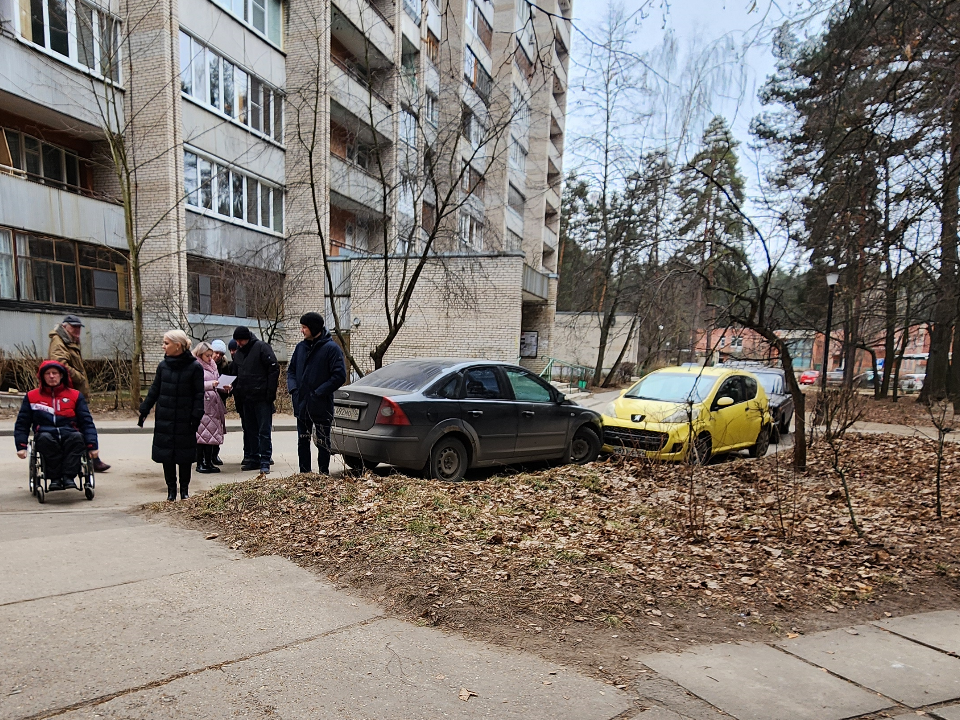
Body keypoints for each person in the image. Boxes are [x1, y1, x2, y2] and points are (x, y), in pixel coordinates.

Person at [138, 330, 204, 501]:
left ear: (178, 345)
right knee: (167, 456)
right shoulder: (163, 366)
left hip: (185, 420)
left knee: (184, 457)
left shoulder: (195, 367)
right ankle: (171, 491)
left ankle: (184, 490)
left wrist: (196, 417)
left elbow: (199, 395)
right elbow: (154, 390)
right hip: (165, 419)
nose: (163, 346)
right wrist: (144, 409)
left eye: (166, 343)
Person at [14, 360, 99, 490]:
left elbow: (86, 422)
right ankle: (54, 479)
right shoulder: (32, 396)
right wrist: (21, 446)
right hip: (44, 433)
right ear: (42, 376)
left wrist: (92, 445)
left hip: (69, 431)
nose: (52, 376)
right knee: (45, 439)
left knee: (77, 438)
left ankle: (68, 477)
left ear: (61, 375)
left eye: (55, 373)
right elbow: (22, 423)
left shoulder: (75, 395)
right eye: (48, 373)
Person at [48, 315, 111, 473]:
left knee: (83, 424)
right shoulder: (59, 341)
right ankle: (92, 458)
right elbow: (59, 364)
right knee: (81, 424)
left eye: (78, 327)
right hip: (67, 393)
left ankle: (92, 457)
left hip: (74, 392)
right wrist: (79, 376)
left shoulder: (69, 341)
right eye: (73, 327)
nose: (77, 330)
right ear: (65, 327)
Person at [287, 312, 346, 474]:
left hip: (321, 405)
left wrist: (319, 392)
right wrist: (293, 389)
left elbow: (339, 376)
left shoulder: (331, 349)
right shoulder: (300, 348)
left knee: (322, 442)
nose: (302, 331)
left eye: (304, 327)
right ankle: (304, 473)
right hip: (301, 404)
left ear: (313, 328)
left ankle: (323, 473)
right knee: (303, 441)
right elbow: (291, 371)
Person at [231, 326, 279, 474]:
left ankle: (265, 460)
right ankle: (253, 459)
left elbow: (273, 369)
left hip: (261, 398)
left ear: (247, 338)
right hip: (246, 398)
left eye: (240, 340)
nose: (238, 343)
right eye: (237, 340)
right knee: (250, 430)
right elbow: (237, 374)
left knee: (263, 431)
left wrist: (270, 393)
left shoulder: (261, 348)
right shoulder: (239, 354)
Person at [193, 341, 225, 474]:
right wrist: (212, 384)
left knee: (211, 435)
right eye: (208, 355)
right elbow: (195, 384)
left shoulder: (212, 365)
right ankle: (200, 463)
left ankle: (209, 461)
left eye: (211, 355)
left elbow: (216, 380)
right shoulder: (195, 365)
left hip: (213, 404)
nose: (211, 358)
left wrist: (224, 386)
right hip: (202, 404)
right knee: (202, 435)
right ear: (200, 354)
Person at [209, 339, 230, 466]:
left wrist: (227, 389)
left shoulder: (224, 366)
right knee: (206, 429)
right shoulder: (204, 364)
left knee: (218, 429)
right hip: (207, 400)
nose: (218, 356)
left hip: (219, 400)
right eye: (216, 353)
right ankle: (205, 455)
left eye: (221, 354)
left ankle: (215, 454)